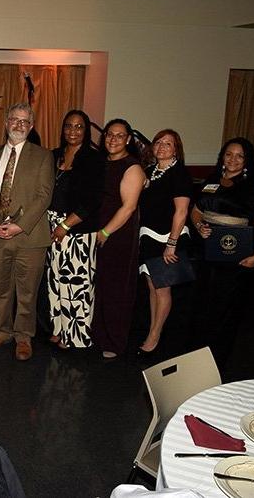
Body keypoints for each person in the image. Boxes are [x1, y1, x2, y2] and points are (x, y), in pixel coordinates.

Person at [0, 103, 53, 361]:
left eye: (25, 121)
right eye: (14, 120)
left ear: (31, 126)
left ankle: (23, 337)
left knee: (27, 291)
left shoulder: (43, 156)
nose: (19, 125)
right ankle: (2, 331)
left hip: (30, 237)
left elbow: (44, 197)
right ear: (6, 123)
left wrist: (19, 226)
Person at [190, 137, 254, 366]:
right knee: (201, 305)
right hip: (206, 255)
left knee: (223, 310)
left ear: (246, 161)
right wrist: (198, 226)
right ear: (222, 157)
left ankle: (215, 360)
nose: (233, 159)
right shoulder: (211, 181)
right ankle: (196, 357)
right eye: (228, 154)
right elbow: (195, 211)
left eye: (239, 155)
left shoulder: (253, 189)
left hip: (233, 259)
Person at [46, 110, 105, 349]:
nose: (73, 131)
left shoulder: (93, 158)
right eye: (68, 126)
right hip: (52, 227)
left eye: (79, 127)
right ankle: (59, 329)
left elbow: (92, 200)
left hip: (77, 230)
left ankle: (77, 336)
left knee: (77, 285)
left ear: (86, 130)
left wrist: (65, 225)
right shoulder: (54, 155)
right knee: (56, 281)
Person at [91, 119, 146, 359]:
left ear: (128, 140)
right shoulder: (101, 163)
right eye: (109, 135)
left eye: (119, 135)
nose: (113, 139)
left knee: (116, 288)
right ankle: (98, 336)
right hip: (100, 231)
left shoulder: (132, 167)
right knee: (99, 285)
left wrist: (105, 232)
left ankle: (114, 341)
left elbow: (129, 208)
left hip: (118, 235)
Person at [137, 130, 192, 355]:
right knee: (153, 287)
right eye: (158, 142)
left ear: (176, 149)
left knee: (163, 289)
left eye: (167, 143)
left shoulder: (179, 174)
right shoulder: (150, 171)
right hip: (149, 237)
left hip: (167, 239)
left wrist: (172, 243)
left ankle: (154, 336)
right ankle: (153, 329)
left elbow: (181, 212)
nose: (161, 147)